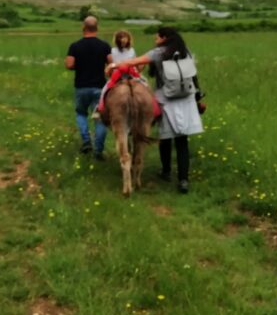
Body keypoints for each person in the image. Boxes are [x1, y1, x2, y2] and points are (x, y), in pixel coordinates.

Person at [113, 26, 203, 193]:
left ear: (164, 38)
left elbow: (134, 62)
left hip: (167, 98)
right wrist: (198, 97)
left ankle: (166, 171)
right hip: (186, 98)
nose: (155, 39)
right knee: (182, 141)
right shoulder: (186, 51)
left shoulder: (158, 53)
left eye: (157, 37)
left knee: (165, 137)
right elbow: (193, 76)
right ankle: (183, 180)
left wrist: (114, 65)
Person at [65, 16, 112, 160]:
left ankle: (86, 142)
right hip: (99, 87)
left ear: (83, 28)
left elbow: (69, 65)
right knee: (100, 119)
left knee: (81, 113)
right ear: (97, 28)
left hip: (81, 86)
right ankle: (98, 151)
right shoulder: (104, 46)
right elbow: (111, 65)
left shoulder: (75, 46)